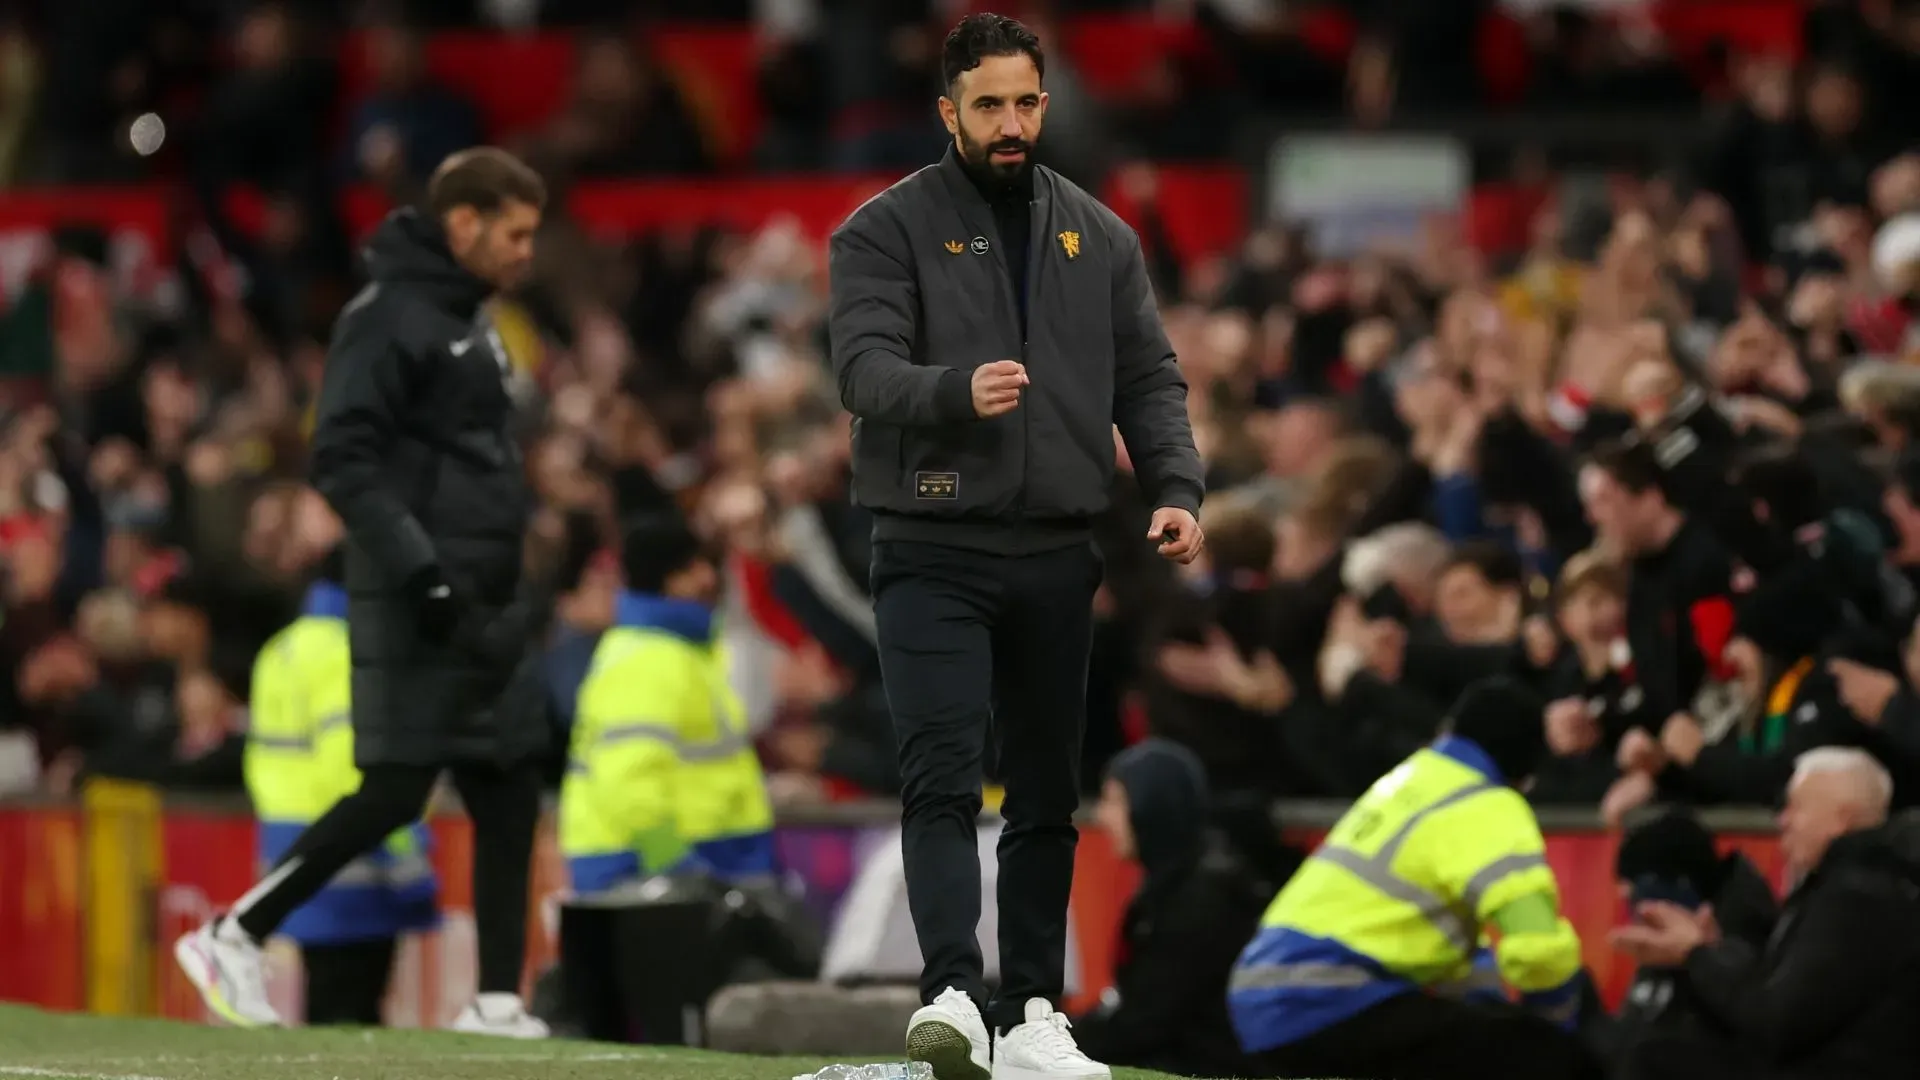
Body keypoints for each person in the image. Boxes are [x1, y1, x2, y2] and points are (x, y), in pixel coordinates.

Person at [826, 13, 1205, 1080]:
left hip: (1056, 545)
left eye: (1025, 102)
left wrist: (1174, 486)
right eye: (987, 103)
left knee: (1047, 791)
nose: (1009, 122)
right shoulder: (881, 231)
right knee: (941, 776)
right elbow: (860, 371)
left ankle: (1036, 1010)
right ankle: (953, 992)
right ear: (948, 111)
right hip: (931, 540)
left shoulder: (1102, 235)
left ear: (1045, 103)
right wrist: (958, 391)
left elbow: (1149, 379)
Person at [174, 147, 554, 1037]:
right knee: (392, 789)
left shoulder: (472, 320)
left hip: (485, 595)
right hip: (419, 594)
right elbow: (339, 456)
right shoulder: (387, 317)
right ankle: (233, 932)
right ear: (463, 225)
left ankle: (497, 998)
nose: (528, 252)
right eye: (516, 233)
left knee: (508, 785)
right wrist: (420, 572)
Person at [1228, 677, 1604, 1080]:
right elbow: (1539, 951)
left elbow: (1462, 964)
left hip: (1265, 997)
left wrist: (1493, 1007)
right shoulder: (1489, 805)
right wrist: (1554, 1030)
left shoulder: (1410, 781)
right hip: (1328, 996)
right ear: (1524, 773)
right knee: (1554, 1060)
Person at [1612, 749, 1920, 1080]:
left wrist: (1696, 954)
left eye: (1796, 807)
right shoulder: (1846, 887)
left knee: (1655, 1060)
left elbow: (1778, 1025)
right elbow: (1776, 998)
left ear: (1841, 820)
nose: (1782, 820)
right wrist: (1715, 951)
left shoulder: (1859, 900)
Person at [245, 550, 439, 1025]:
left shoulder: (282, 648)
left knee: (326, 1013)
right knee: (355, 1015)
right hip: (356, 864)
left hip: (294, 851)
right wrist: (405, 855)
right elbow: (355, 775)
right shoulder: (348, 651)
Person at [560, 512, 775, 893]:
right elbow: (628, 775)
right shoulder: (648, 658)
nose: (709, 577)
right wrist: (672, 861)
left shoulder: (680, 650)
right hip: (648, 864)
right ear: (670, 578)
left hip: (697, 857)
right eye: (695, 566)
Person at [1069, 740, 1272, 1078]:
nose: (1102, 816)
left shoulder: (1202, 899)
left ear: (1152, 806)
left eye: (1115, 801)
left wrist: (1053, 1042)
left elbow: (1141, 1025)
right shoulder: (1176, 883)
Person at [1596, 808, 1779, 1069]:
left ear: (1677, 890)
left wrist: (1700, 958)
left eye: (1636, 892)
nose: (1632, 908)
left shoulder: (1741, 962)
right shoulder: (1659, 953)